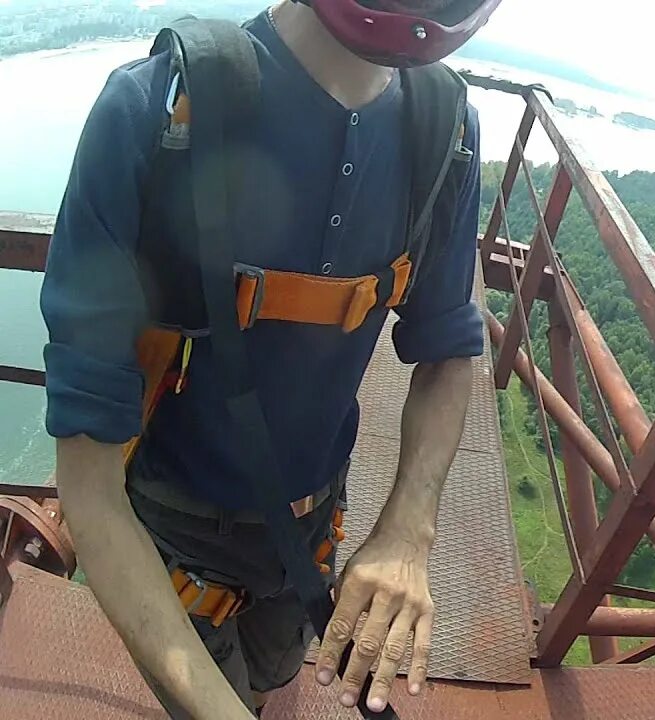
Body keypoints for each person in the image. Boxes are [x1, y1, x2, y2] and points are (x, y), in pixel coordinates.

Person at [39, 1, 501, 717]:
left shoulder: (444, 131)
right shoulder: (154, 112)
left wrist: (409, 529)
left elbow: (446, 350)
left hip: (312, 523)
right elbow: (89, 484)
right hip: (169, 524)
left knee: (276, 675)